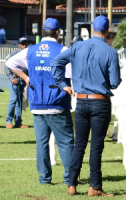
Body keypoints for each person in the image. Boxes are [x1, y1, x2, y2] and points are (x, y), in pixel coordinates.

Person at [51, 15, 122, 197]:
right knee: (96, 145)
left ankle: (71, 185)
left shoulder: (77, 46)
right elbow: (114, 83)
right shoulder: (110, 51)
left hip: (81, 101)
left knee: (79, 145)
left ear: (92, 28)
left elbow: (56, 62)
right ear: (107, 31)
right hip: (100, 102)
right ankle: (95, 187)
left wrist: (62, 84)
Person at [6, 18, 74, 185]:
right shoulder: (63, 50)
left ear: (43, 32)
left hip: (37, 104)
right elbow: (72, 74)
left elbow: (9, 62)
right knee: (65, 143)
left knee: (42, 143)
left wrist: (25, 77)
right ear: (58, 32)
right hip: (57, 103)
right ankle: (69, 178)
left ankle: (44, 178)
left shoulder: (30, 50)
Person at [5, 37, 29, 129]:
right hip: (15, 80)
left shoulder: (29, 54)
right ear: (19, 45)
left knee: (19, 102)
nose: (24, 45)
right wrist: (11, 78)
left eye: (26, 43)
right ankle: (8, 121)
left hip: (23, 81)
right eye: (22, 44)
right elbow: (7, 66)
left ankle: (18, 122)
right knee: (14, 99)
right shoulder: (14, 54)